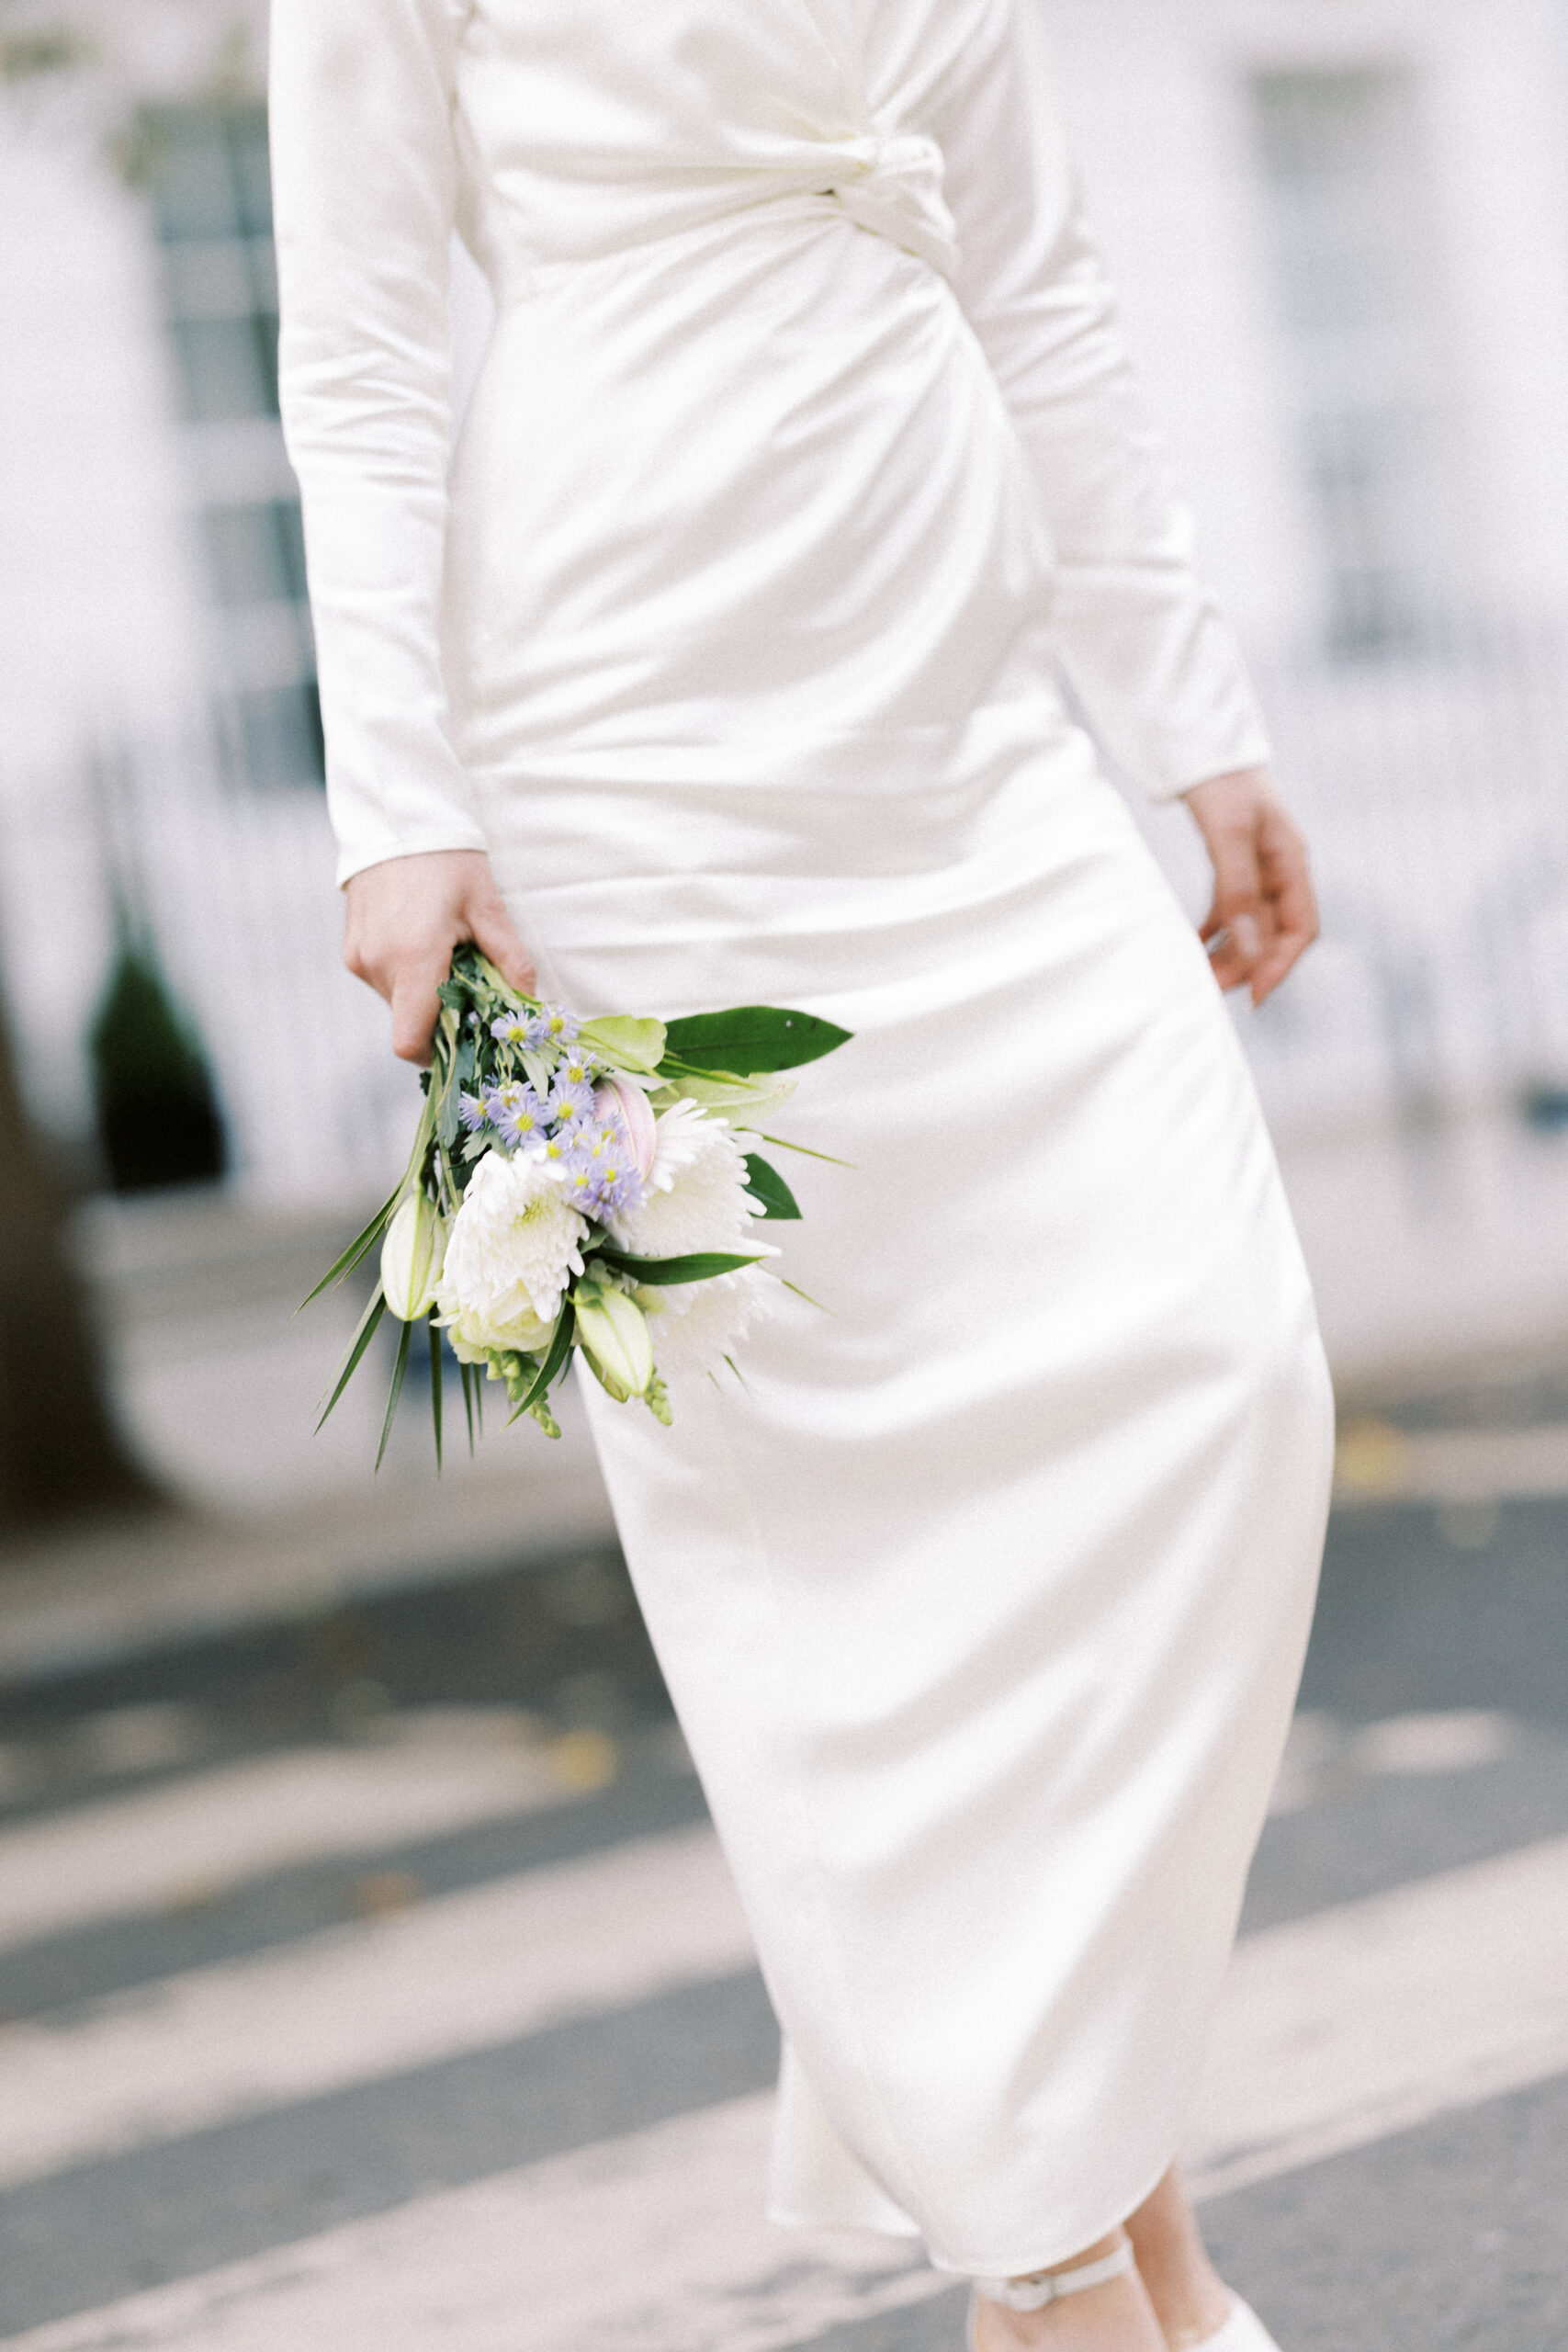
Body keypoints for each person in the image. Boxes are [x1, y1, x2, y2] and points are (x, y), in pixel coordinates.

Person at [268, 3, 1336, 2345]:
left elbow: (1038, 272)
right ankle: (1065, 2257)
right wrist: (401, 803)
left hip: (972, 728)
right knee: (849, 1540)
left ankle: (1082, 2199)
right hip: (634, 737)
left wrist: (1194, 723)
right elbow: (352, 336)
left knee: (1217, 1385)